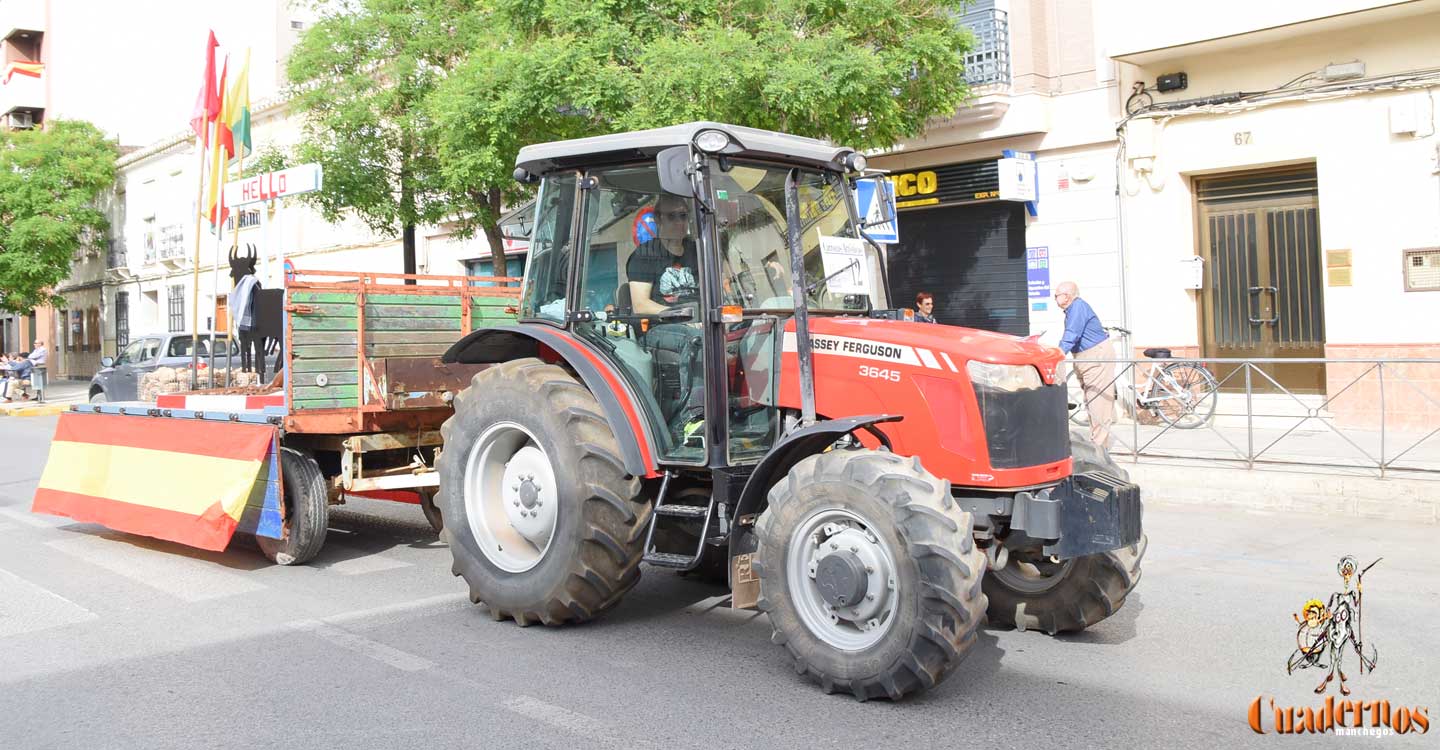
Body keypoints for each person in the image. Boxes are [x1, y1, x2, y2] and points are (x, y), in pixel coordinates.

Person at [1055, 281, 1116, 449]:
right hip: (1087, 357)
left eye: (1056, 295)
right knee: (1092, 399)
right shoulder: (1072, 309)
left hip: (1095, 356)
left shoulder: (1078, 307)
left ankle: (1099, 449)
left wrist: (1058, 353)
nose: (1055, 299)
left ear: (1067, 296)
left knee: (1097, 401)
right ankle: (1097, 441)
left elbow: (1072, 333)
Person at [626, 194, 699, 314]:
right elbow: (640, 305)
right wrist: (684, 316)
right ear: (658, 220)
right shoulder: (644, 255)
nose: (679, 222)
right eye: (672, 216)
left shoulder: (698, 251)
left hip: (705, 324)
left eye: (683, 216)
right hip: (665, 325)